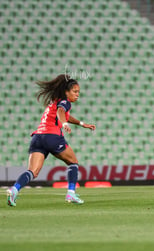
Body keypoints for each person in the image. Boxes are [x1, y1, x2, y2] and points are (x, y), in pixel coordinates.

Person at [6, 74, 96, 206]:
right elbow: (61, 112)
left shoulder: (55, 101)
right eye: (75, 92)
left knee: (33, 171)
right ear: (66, 92)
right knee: (73, 162)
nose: (77, 95)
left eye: (78, 92)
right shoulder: (64, 102)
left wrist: (82, 124)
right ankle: (71, 194)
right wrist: (64, 124)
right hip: (52, 136)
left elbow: (65, 115)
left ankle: (14, 189)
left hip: (37, 137)